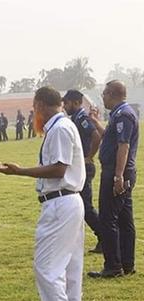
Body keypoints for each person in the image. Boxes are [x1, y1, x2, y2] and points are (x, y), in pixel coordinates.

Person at [0, 86, 85, 301]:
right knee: (69, 265)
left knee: (46, 265)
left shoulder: (59, 128)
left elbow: (58, 169)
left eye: (35, 107)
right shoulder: (61, 126)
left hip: (60, 202)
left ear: (41, 104)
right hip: (68, 201)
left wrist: (19, 171)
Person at [88, 80, 139, 278]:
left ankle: (113, 266)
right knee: (125, 218)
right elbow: (108, 137)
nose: (102, 97)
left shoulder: (123, 115)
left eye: (104, 94)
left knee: (108, 218)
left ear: (112, 94)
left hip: (116, 173)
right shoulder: (119, 114)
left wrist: (118, 175)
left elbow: (123, 146)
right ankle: (127, 263)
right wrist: (95, 121)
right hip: (120, 172)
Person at [62, 90, 102, 254]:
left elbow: (96, 136)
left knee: (85, 206)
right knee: (78, 205)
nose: (64, 106)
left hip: (85, 167)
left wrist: (89, 156)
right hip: (79, 167)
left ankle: (105, 238)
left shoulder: (82, 118)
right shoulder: (75, 118)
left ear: (76, 102)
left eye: (67, 103)